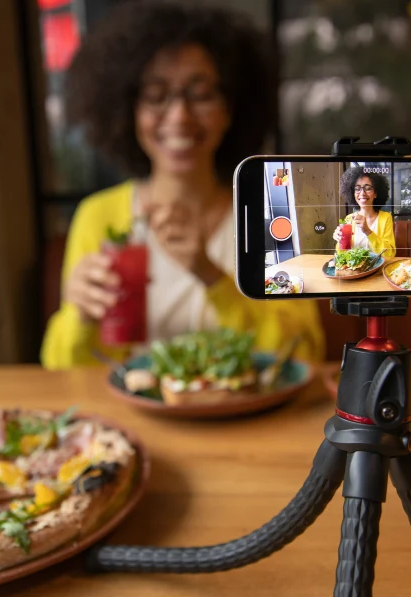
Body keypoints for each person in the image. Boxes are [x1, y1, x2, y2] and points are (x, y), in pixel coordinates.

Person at [41, 2, 325, 368]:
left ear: (231, 107)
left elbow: (304, 353)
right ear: (129, 110)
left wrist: (213, 278)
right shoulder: (99, 217)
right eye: (156, 95)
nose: (179, 117)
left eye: (201, 93)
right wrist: (79, 315)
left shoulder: (274, 215)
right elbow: (60, 370)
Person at [332, 166, 396, 259]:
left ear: (376, 193)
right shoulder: (349, 219)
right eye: (357, 189)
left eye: (368, 188)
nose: (362, 193)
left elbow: (389, 254)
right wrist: (340, 240)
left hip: (378, 270)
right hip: (355, 271)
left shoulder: (385, 218)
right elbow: (341, 255)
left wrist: (368, 231)